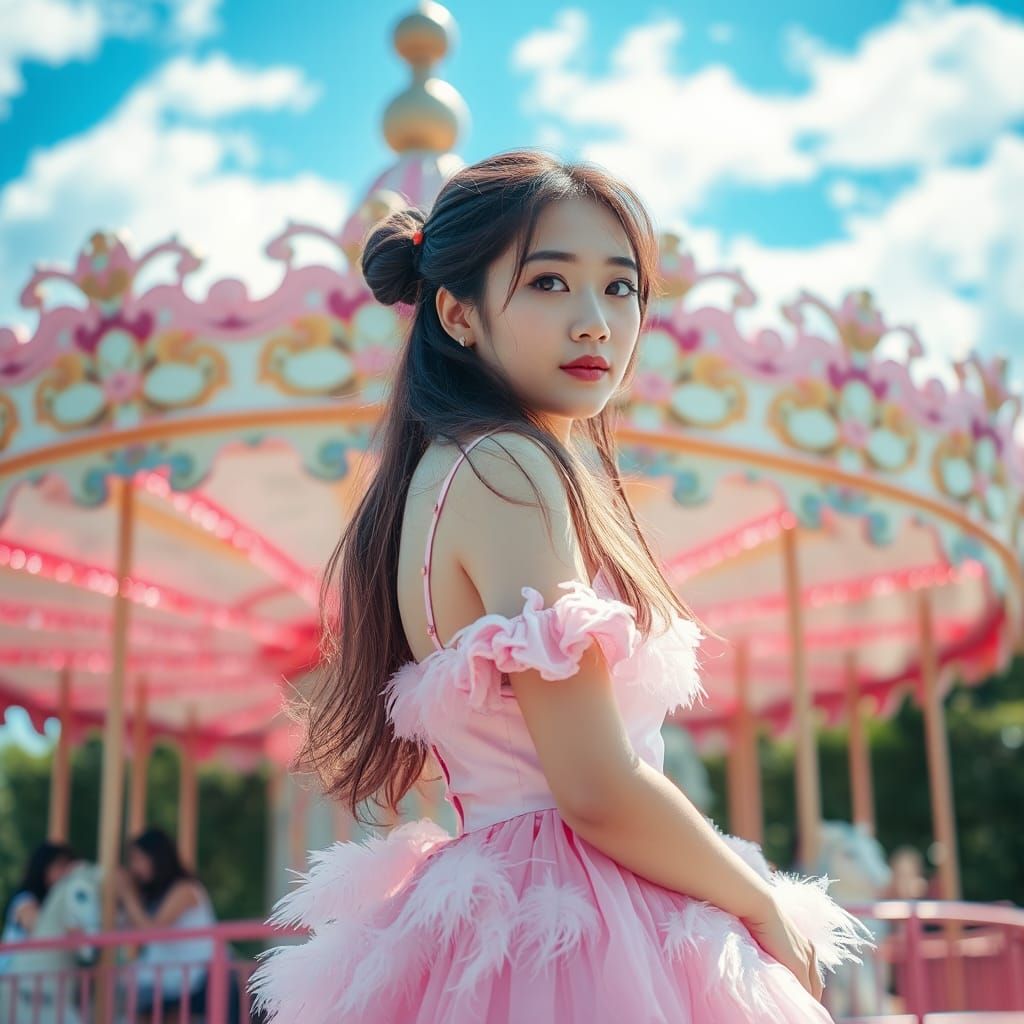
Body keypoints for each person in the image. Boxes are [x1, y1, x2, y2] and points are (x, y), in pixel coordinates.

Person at [251, 149, 872, 1023]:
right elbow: (595, 783)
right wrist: (761, 902)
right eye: (549, 283)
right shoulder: (511, 465)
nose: (595, 322)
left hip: (509, 888)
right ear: (457, 313)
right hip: (579, 905)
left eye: (620, 289)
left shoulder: (441, 471)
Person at [115, 827, 216, 1013]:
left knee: (119, 987)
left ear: (156, 857)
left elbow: (151, 931)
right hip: (166, 973)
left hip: (187, 976)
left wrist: (128, 894)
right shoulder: (157, 894)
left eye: (139, 859)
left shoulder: (185, 889)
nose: (135, 867)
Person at [0, 841, 76, 972]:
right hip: (11, 979)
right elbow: (40, 928)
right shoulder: (25, 901)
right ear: (44, 868)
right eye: (61, 866)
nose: (66, 873)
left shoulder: (50, 904)